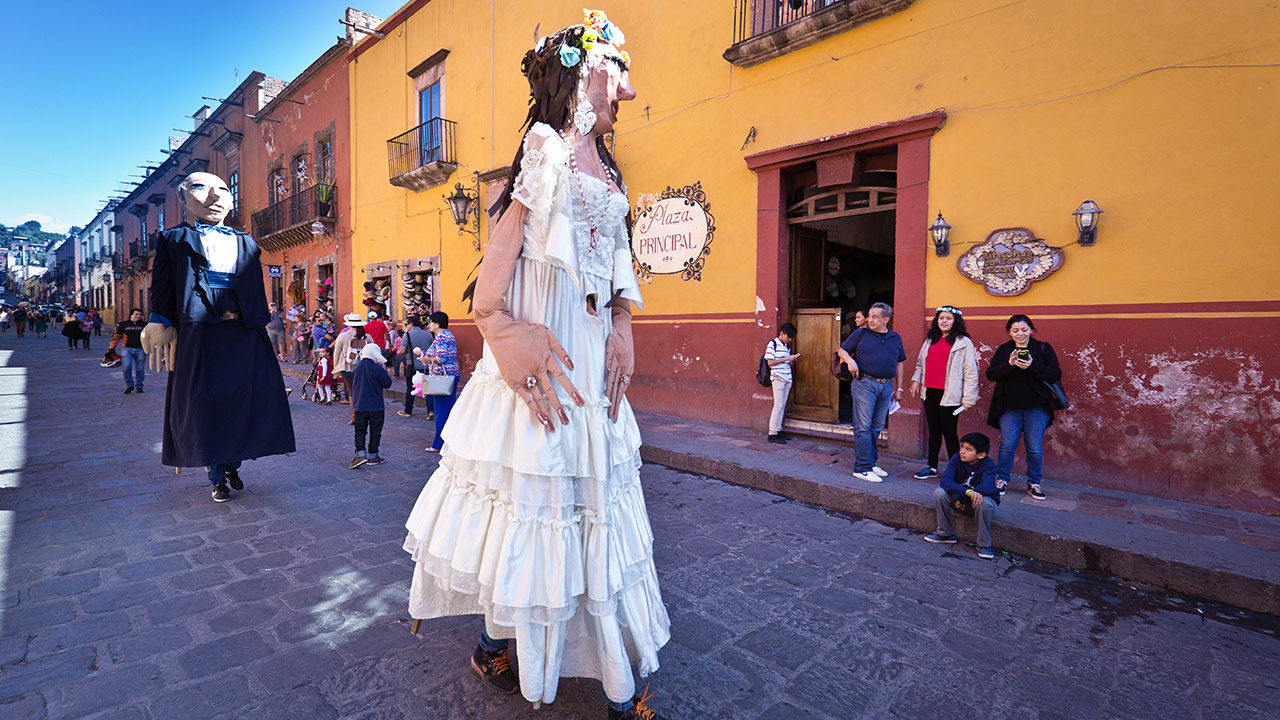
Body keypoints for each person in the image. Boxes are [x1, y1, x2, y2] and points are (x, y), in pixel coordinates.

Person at [402, 12, 669, 720]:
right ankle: (502, 644)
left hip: (590, 360)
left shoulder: (607, 166)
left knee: (590, 508)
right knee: (538, 503)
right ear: (585, 74)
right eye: (621, 70)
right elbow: (498, 263)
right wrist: (496, 327)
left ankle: (606, 669)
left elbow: (615, 261)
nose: (631, 91)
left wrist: (622, 324)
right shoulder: (545, 146)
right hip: (541, 360)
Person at [141, 171, 296, 503]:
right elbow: (163, 286)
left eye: (224, 189)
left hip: (242, 336)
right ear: (182, 198)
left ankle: (231, 464)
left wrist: (258, 325)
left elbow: (255, 288)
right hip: (200, 335)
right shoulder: (172, 239)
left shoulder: (247, 243)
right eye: (200, 187)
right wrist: (160, 319)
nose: (215, 196)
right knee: (206, 408)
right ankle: (217, 476)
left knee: (246, 402)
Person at [985, 314, 1061, 501]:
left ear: (1031, 330)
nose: (1020, 334)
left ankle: (1034, 483)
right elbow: (991, 374)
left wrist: (1033, 366)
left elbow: (1055, 374)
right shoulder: (1004, 350)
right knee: (1007, 446)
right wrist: (1009, 365)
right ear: (1010, 333)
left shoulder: (1042, 348)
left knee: (1034, 448)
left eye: (1024, 330)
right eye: (1016, 330)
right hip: (1009, 407)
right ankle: (1002, 480)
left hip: (1037, 408)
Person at [837, 302, 906, 483]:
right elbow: (842, 350)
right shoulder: (861, 333)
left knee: (876, 427)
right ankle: (862, 467)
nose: (871, 319)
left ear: (886, 319)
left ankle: (871, 463)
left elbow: (900, 363)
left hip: (886, 386)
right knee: (863, 427)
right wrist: (850, 362)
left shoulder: (895, 338)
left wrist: (899, 389)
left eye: (876, 317)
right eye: (870, 315)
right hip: (864, 383)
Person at [908, 305, 979, 479]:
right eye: (941, 318)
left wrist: (968, 398)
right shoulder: (930, 340)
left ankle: (958, 470)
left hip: (951, 394)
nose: (944, 321)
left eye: (948, 318)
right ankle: (931, 467)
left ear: (955, 321)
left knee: (949, 432)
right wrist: (916, 380)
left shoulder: (963, 342)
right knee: (934, 430)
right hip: (930, 392)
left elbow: (970, 371)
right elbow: (920, 364)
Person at [924, 432, 1001, 559]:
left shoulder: (989, 465)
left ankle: (984, 545)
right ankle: (945, 534)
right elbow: (945, 481)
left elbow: (986, 488)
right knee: (940, 493)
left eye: (968, 449)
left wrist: (962, 497)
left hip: (978, 503)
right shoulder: (957, 458)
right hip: (960, 500)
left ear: (981, 455)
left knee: (984, 502)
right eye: (962, 447)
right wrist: (963, 494)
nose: (963, 452)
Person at [421, 311, 459, 453]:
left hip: (442, 377)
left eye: (430, 322)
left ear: (437, 323)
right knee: (448, 410)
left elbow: (441, 358)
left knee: (441, 412)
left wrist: (427, 359)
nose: (429, 325)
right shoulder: (448, 335)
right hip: (451, 375)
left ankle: (439, 443)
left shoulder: (441, 337)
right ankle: (449, 441)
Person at [350, 343, 392, 467]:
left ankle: (360, 455)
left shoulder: (357, 367)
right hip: (376, 405)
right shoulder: (377, 368)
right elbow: (387, 384)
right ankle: (373, 455)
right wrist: (384, 371)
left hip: (360, 405)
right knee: (375, 431)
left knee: (360, 430)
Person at [764, 322, 800, 444]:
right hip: (778, 377)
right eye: (788, 337)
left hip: (787, 378)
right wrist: (786, 358)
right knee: (778, 405)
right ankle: (772, 433)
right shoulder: (772, 344)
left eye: (791, 338)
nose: (789, 340)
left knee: (782, 406)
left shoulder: (786, 346)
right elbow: (770, 363)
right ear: (782, 333)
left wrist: (792, 359)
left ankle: (778, 430)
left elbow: (784, 362)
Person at [396, 315, 433, 417]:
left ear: (411, 324)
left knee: (410, 388)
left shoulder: (407, 335)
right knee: (428, 389)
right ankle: (431, 411)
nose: (406, 326)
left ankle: (408, 411)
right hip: (426, 366)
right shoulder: (428, 335)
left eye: (407, 324)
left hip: (412, 366)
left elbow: (402, 350)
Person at [332, 313, 368, 417]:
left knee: (351, 392)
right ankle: (363, 414)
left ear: (349, 324)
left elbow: (337, 353)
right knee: (362, 390)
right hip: (362, 367)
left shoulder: (343, 336)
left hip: (347, 367)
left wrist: (336, 368)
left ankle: (354, 415)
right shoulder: (366, 336)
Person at [116, 308, 149, 394]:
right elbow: (116, 337)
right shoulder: (123, 325)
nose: (138, 316)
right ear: (131, 315)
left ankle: (139, 386)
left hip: (141, 349)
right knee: (127, 366)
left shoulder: (145, 325)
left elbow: (150, 337)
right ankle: (129, 385)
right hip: (127, 349)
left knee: (140, 368)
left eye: (140, 315)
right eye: (136, 314)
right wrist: (111, 348)